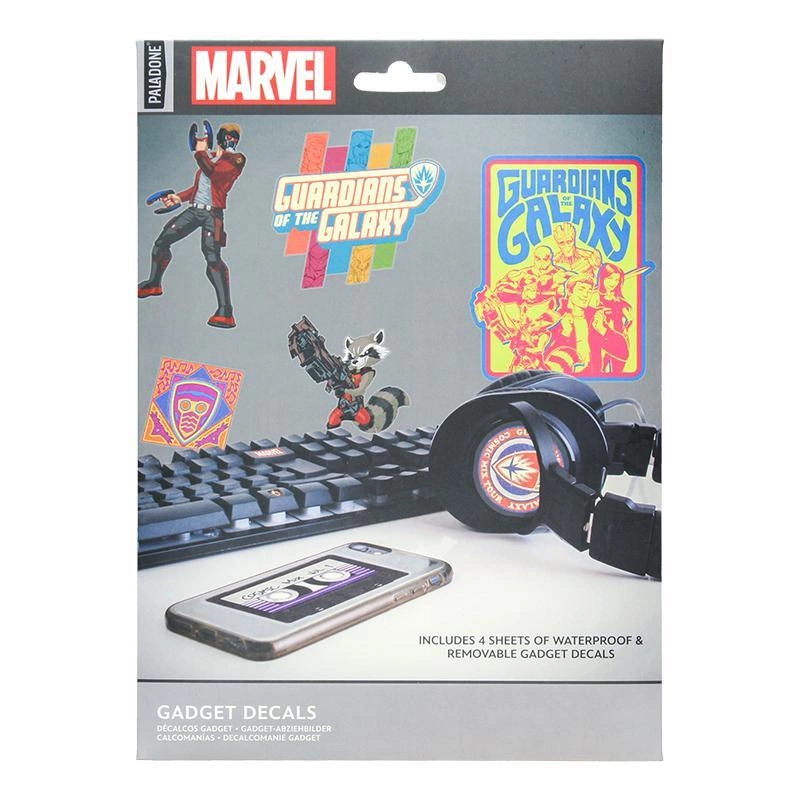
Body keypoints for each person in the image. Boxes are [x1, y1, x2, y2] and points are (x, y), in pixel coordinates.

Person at [138, 123, 246, 328]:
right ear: (220, 137)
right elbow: (200, 187)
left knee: (212, 257)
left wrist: (199, 152)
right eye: (228, 136)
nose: (232, 140)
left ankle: (225, 311)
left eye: (235, 137)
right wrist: (178, 197)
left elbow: (215, 175)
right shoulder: (209, 158)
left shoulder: (236, 160)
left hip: (212, 215)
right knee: (162, 241)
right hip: (195, 211)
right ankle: (154, 283)